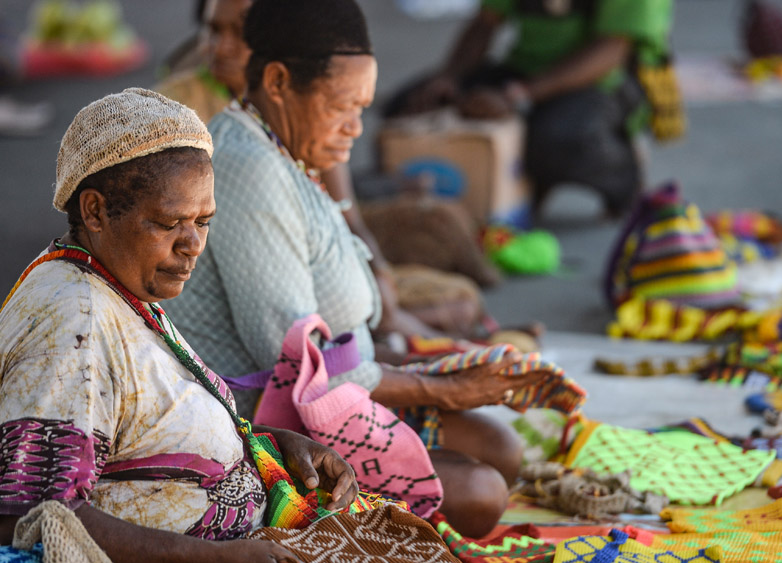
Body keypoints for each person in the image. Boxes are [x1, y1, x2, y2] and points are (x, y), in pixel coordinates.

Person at [167, 0, 575, 538]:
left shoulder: (284, 152)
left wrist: (445, 365)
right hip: (264, 423)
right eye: (343, 107)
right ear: (279, 80)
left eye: (363, 107)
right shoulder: (249, 169)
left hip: (318, 396)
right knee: (481, 494)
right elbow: (298, 366)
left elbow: (341, 338)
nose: (356, 129)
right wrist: (443, 388)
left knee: (502, 449)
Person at [0, 87, 361, 563]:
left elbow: (143, 429)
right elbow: (36, 516)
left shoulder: (110, 282)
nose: (191, 246)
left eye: (203, 222)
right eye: (169, 223)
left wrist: (267, 443)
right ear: (96, 211)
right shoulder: (73, 326)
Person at [156, 0, 518, 354]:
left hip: (318, 339)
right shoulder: (238, 152)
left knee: (443, 252)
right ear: (278, 79)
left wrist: (440, 355)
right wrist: (442, 375)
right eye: (216, 30)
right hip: (275, 387)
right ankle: (422, 334)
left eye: (243, 31)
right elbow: (296, 361)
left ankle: (424, 334)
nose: (225, 47)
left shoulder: (287, 127)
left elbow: (342, 214)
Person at [385, 0, 675, 217]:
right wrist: (450, 76)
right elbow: (486, 22)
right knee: (408, 107)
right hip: (525, 69)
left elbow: (612, 49)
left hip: (608, 80)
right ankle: (516, 183)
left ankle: (622, 175)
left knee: (556, 139)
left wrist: (517, 97)